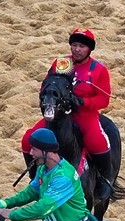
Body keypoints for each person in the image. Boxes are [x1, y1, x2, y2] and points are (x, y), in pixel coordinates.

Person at [22, 29, 114, 201]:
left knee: (97, 141)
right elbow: (46, 86)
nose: (77, 49)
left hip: (84, 114)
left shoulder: (99, 70)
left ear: (89, 49)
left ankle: (106, 179)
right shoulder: (60, 64)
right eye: (74, 45)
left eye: (82, 46)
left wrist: (83, 101)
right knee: (28, 139)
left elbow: (103, 100)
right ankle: (35, 177)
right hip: (60, 114)